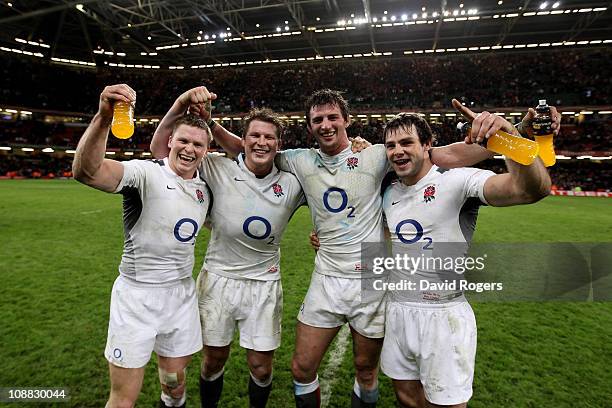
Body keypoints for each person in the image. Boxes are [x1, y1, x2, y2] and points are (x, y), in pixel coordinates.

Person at [197, 88, 515, 407]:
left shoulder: (376, 154)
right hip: (326, 279)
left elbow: (445, 155)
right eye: (317, 119)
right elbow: (249, 147)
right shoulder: (299, 161)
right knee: (302, 367)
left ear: (347, 120)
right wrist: (211, 126)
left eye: (333, 117)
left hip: (369, 283)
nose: (326, 124)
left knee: (366, 371)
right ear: (309, 127)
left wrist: (507, 139)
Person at [379, 108, 551, 407]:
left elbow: (530, 190)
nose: (398, 151)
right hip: (397, 310)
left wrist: (510, 139)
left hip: (443, 318)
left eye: (407, 143)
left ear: (428, 144)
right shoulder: (388, 189)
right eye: (391, 145)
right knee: (406, 399)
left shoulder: (458, 181)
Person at [150, 87, 305, 408]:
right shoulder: (218, 167)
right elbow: (160, 149)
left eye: (269, 138)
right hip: (217, 280)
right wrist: (181, 106)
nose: (261, 142)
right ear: (244, 140)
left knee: (261, 367)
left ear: (279, 145)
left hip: (264, 284)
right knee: (212, 361)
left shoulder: (293, 182)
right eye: (254, 136)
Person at [72, 84, 212, 408]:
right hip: (137, 299)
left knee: (175, 388)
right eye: (183, 141)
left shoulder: (206, 188)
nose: (189, 149)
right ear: (169, 143)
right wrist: (104, 118)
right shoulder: (144, 174)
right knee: (124, 398)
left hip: (180, 297)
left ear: (207, 150)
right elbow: (87, 171)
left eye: (197, 144)